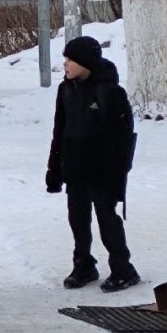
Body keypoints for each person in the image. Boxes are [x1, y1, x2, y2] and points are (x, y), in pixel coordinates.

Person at [46, 36, 141, 292]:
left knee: (106, 219)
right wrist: (54, 170)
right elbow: (60, 130)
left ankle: (123, 269)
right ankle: (84, 265)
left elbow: (123, 137)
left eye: (70, 60)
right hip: (75, 170)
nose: (65, 64)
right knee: (77, 219)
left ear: (86, 63)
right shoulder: (66, 89)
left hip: (103, 172)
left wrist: (116, 173)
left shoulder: (110, 92)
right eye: (65, 59)